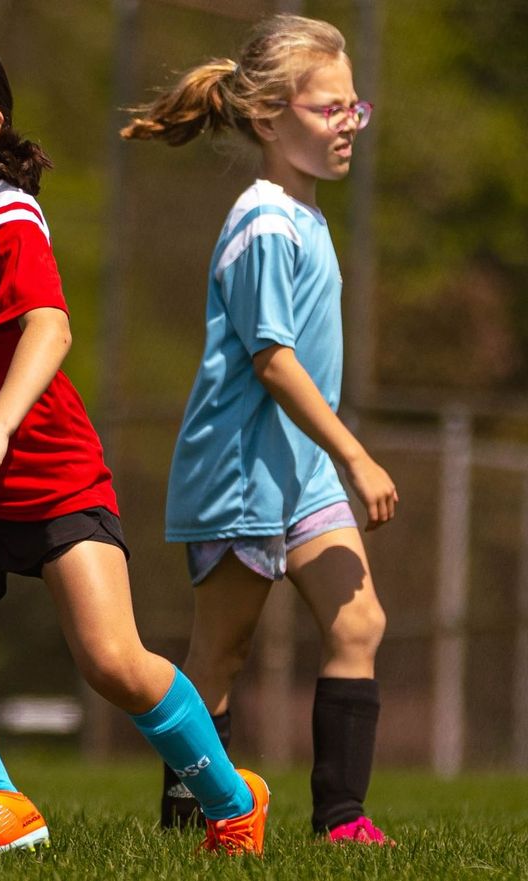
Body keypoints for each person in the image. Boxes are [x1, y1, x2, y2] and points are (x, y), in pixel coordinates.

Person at [0, 30, 269, 855]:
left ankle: (234, 801)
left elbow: (47, 328)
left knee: (113, 663)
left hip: (53, 478)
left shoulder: (9, 218)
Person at [121, 14, 396, 846]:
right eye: (328, 110)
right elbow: (273, 360)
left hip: (301, 470)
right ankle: (189, 826)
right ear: (272, 118)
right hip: (242, 471)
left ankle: (341, 820)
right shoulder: (264, 223)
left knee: (359, 622)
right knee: (218, 659)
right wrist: (354, 451)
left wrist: (330, 457)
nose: (347, 124)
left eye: (355, 108)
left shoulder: (306, 218)